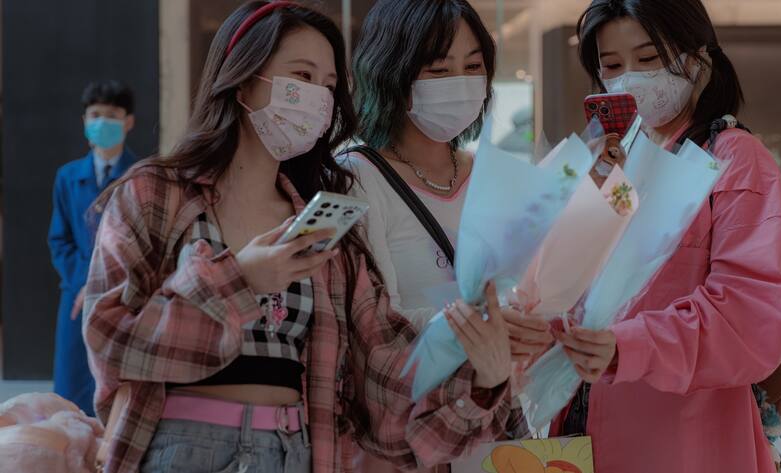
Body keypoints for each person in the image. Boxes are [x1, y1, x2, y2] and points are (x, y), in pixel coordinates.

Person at [83, 3, 522, 473]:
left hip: (295, 452)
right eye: (302, 76)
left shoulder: (327, 230)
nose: (317, 98)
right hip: (178, 448)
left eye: (328, 85)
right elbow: (110, 341)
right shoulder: (156, 194)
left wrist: (482, 381)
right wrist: (240, 280)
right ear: (243, 80)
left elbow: (382, 375)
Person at [544, 1, 781, 472]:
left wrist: (628, 346)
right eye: (612, 66)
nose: (630, 78)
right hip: (581, 431)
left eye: (648, 58)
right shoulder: (617, 162)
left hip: (685, 439)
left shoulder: (733, 160)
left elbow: (756, 310)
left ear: (696, 57)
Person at [346, 1, 540, 470]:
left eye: (473, 67)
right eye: (438, 69)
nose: (461, 83)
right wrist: (484, 331)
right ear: (391, 72)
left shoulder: (497, 176)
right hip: (405, 446)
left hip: (497, 439)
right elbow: (373, 330)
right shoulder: (354, 177)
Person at [48, 80, 138, 416]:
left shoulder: (140, 176)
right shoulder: (68, 177)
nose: (102, 122)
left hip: (124, 295)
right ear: (84, 120)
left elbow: (144, 243)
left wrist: (105, 285)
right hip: (76, 296)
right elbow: (60, 240)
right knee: (71, 389)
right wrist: (85, 283)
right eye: (95, 114)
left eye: (111, 115)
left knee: (121, 388)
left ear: (128, 121)